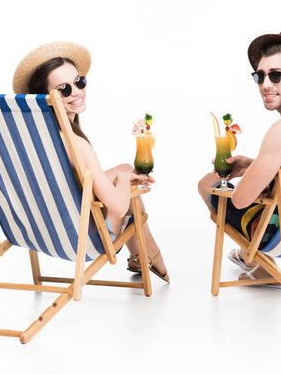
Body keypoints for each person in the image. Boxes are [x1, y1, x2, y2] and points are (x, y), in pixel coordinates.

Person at [13, 42, 169, 282]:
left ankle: (144, 255)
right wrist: (125, 182)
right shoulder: (76, 144)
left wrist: (124, 175)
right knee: (128, 188)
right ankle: (150, 254)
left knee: (125, 168)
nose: (76, 92)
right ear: (46, 98)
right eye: (64, 89)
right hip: (83, 238)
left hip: (42, 230)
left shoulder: (35, 137)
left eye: (80, 82)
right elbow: (117, 206)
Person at [197, 30, 281, 285]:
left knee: (207, 182)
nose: (265, 84)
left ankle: (259, 261)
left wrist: (259, 183)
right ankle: (247, 255)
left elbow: (242, 199)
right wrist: (256, 167)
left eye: (276, 75)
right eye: (260, 75)